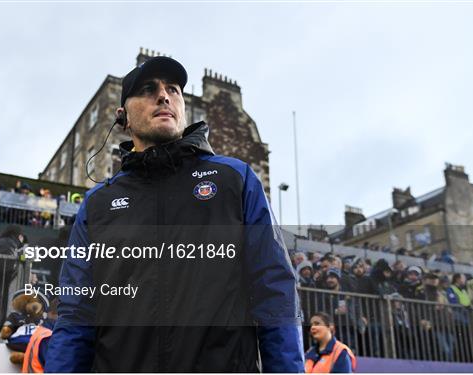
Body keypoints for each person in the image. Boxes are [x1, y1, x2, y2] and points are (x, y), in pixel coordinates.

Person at [45, 56, 303, 372]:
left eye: (173, 89)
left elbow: (274, 291)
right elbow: (77, 313)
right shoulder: (98, 204)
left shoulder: (235, 180)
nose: (164, 96)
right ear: (122, 115)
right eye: (148, 89)